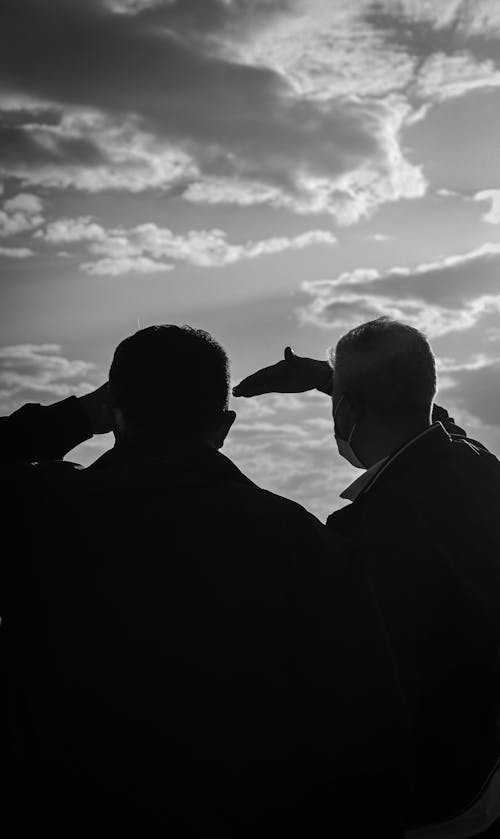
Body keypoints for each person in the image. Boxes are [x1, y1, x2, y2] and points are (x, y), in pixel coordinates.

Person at [2, 324, 408, 837]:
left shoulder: (35, 513)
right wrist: (334, 382)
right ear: (225, 425)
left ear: (115, 413)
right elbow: (366, 733)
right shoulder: (302, 543)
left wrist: (79, 415)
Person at [234, 317, 500, 832]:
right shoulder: (478, 469)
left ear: (349, 409)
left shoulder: (364, 534)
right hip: (481, 773)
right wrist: (329, 378)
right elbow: (432, 422)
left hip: (428, 799)